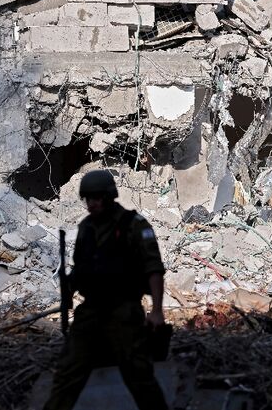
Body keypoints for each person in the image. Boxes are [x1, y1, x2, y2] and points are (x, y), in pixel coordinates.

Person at [44, 170, 168, 410]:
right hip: (91, 312)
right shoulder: (86, 228)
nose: (92, 204)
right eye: (88, 199)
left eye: (97, 198)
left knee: (139, 376)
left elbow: (154, 269)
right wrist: (68, 289)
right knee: (67, 375)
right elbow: (81, 268)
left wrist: (157, 311)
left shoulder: (134, 224)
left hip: (124, 311)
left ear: (110, 196)